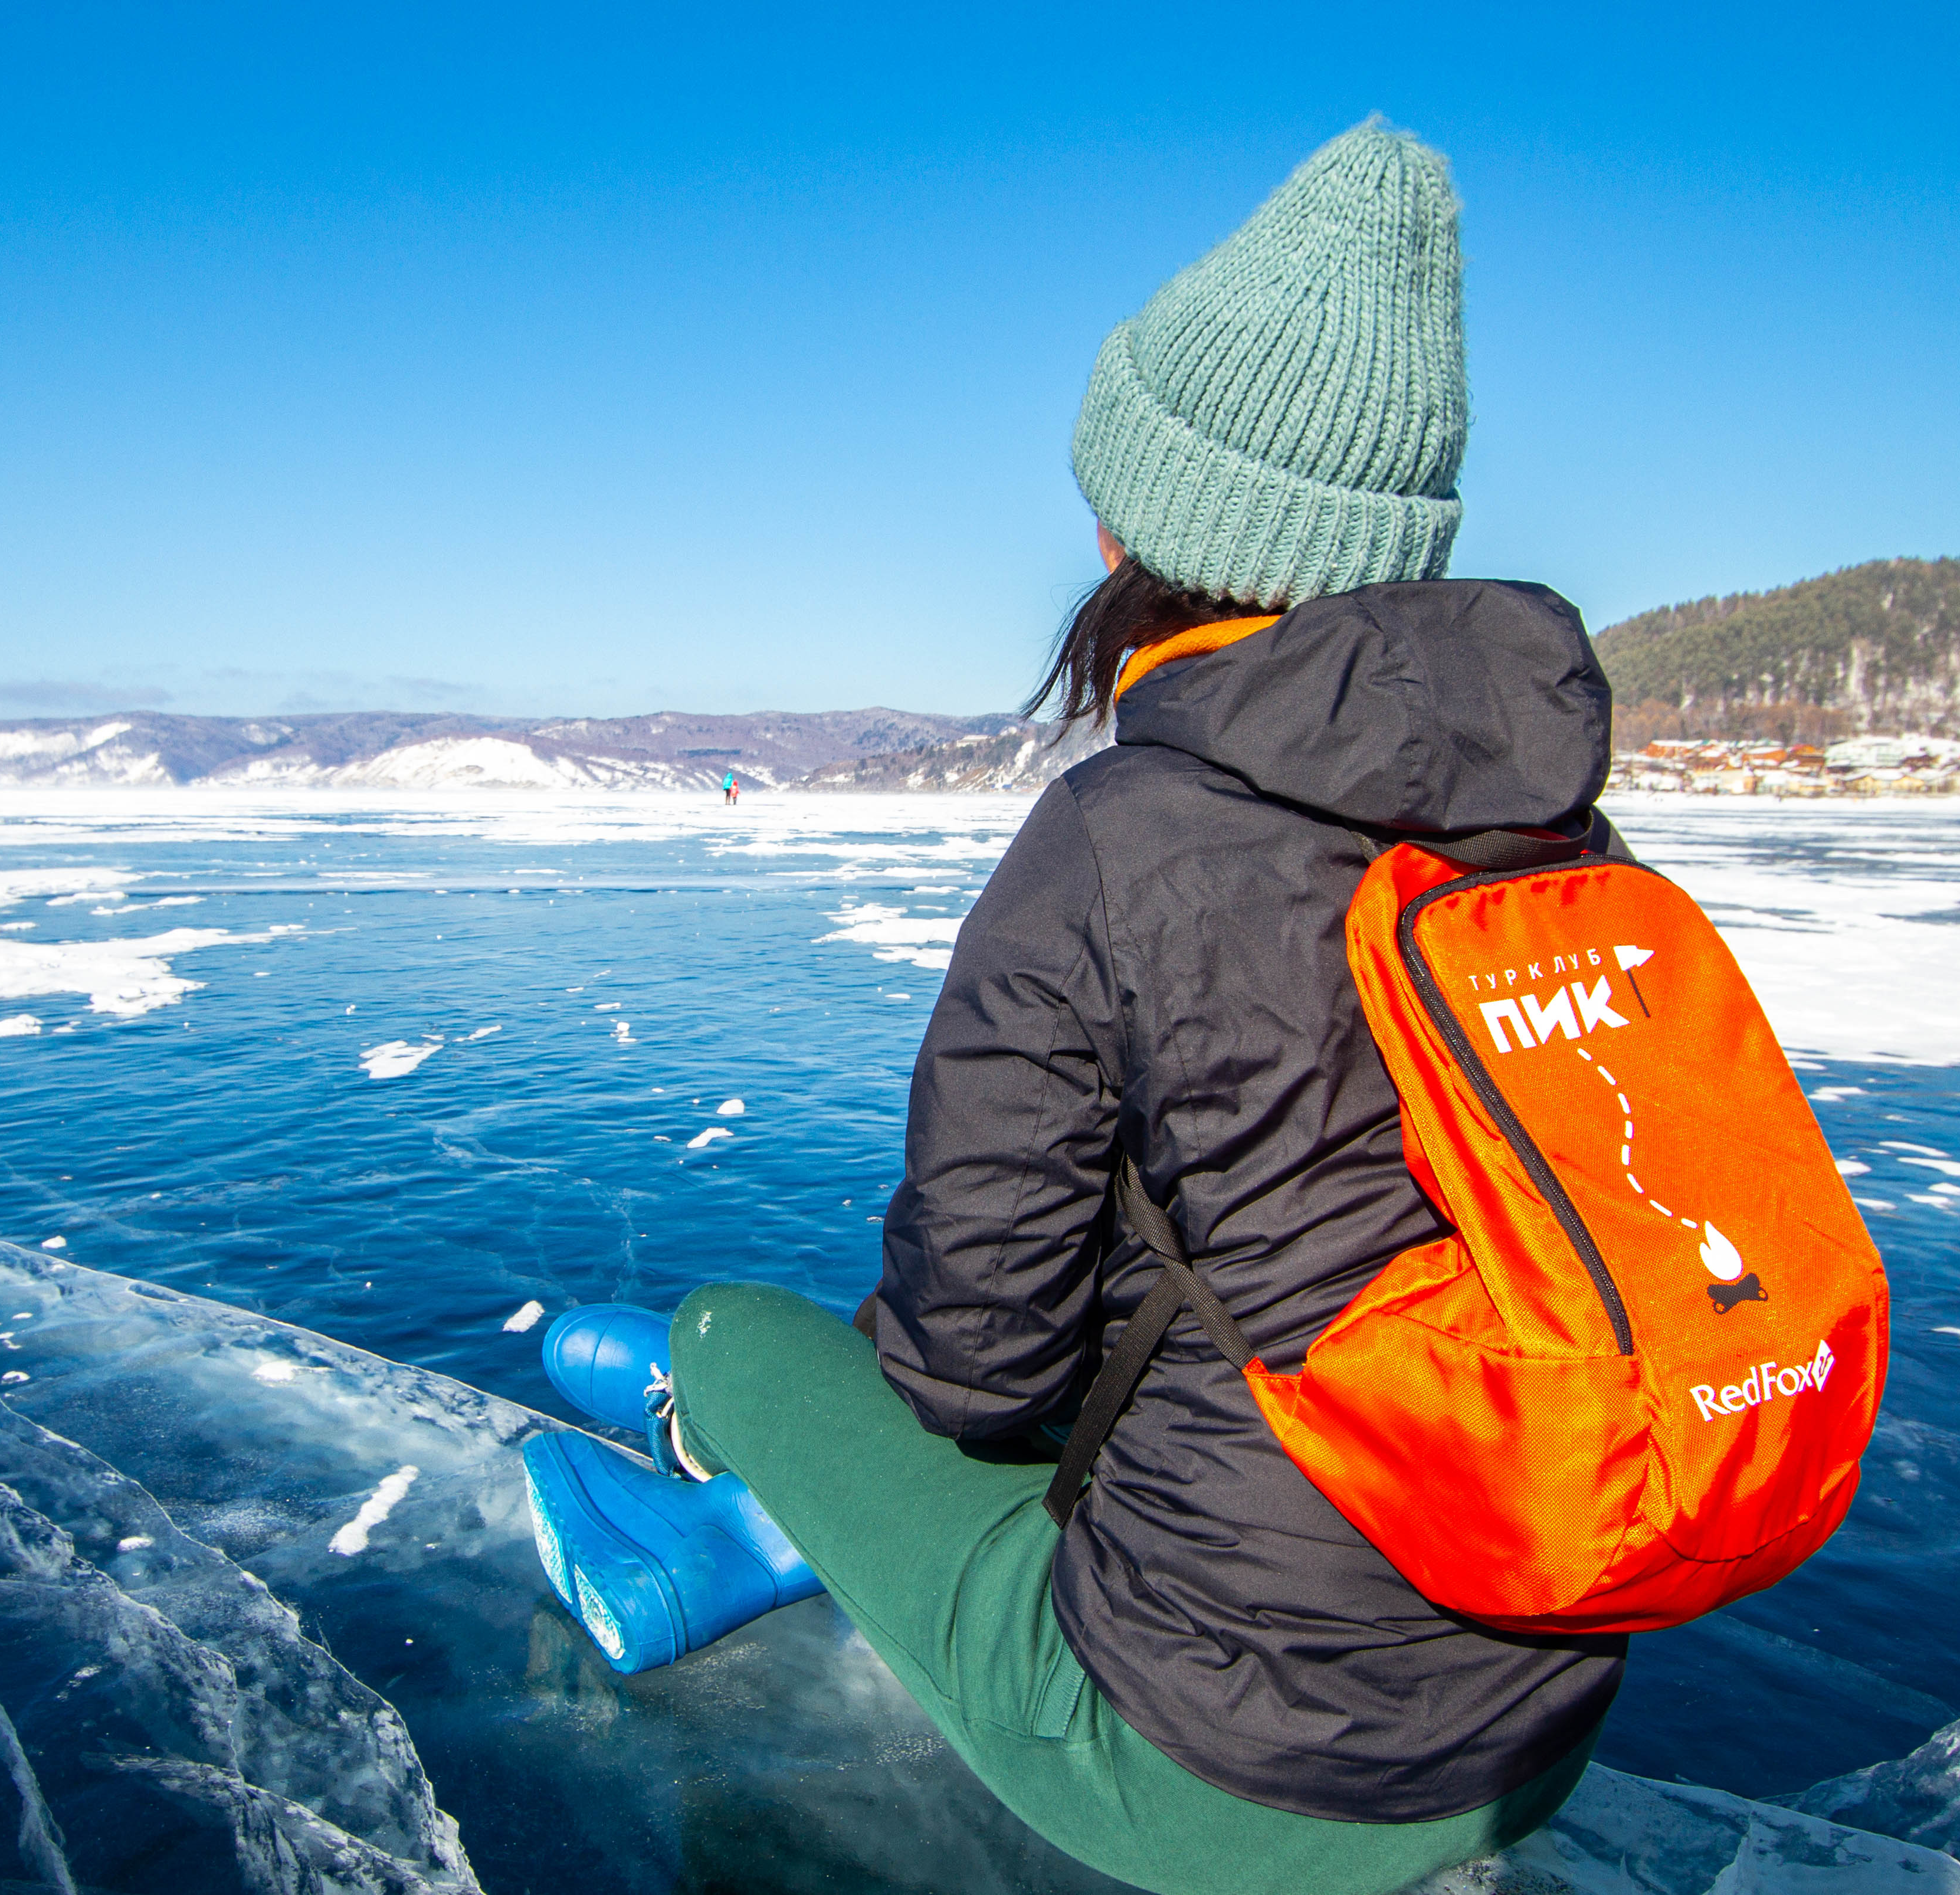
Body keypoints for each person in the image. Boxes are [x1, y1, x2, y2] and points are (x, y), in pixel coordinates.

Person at [520, 122, 1624, 1895]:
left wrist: (826, 1397)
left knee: (735, 1329)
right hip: (1527, 1726)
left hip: (1213, 1777)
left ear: (1162, 529)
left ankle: (715, 1469)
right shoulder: (1551, 836)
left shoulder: (1119, 841)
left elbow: (971, 1368)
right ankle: (759, 1476)